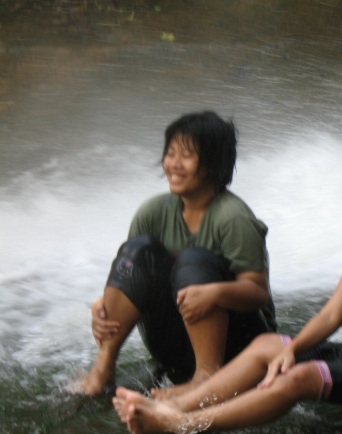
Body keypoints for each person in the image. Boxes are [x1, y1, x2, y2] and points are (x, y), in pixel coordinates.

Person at [112, 139, 342, 434]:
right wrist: (292, 348)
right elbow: (331, 314)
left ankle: (184, 424)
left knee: (299, 377)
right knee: (270, 345)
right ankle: (172, 405)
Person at [75, 111, 276, 396]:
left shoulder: (233, 218)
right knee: (138, 249)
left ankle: (206, 380)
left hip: (242, 347)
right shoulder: (153, 212)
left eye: (187, 156)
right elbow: (132, 274)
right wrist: (101, 306)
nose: (174, 164)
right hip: (176, 340)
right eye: (170, 154)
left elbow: (258, 292)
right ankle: (103, 368)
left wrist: (215, 293)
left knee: (193, 260)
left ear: (212, 163)